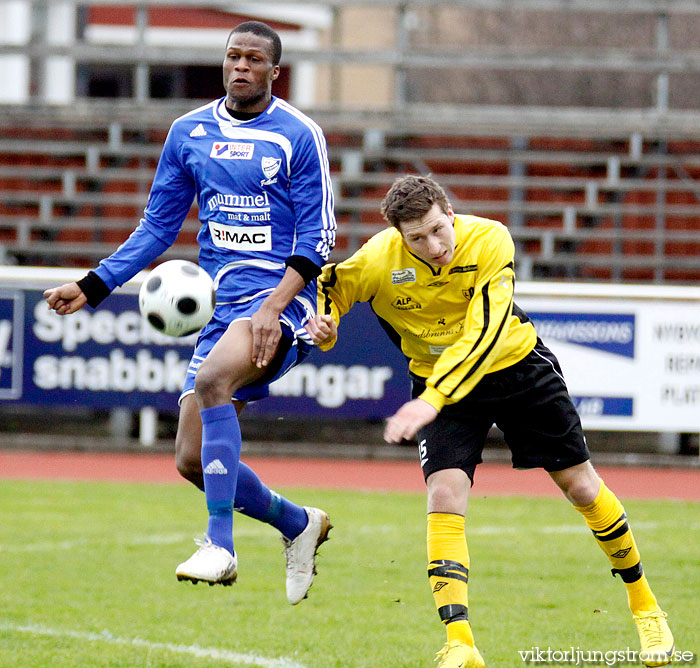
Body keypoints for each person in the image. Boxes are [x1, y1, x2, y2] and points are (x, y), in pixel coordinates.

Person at [305, 175, 674, 667]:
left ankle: (646, 608)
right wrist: (324, 326)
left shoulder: (491, 240)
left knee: (582, 488)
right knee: (444, 493)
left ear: (450, 212)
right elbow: (331, 286)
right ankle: (460, 643)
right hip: (440, 386)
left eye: (439, 230)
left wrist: (431, 399)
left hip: (514, 367)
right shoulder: (378, 259)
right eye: (417, 238)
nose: (434, 245)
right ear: (399, 237)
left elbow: (485, 331)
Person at [44, 20, 335, 604]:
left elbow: (318, 238)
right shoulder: (188, 132)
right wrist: (94, 284)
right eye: (234, 56)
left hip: (284, 301)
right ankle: (298, 523)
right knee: (190, 460)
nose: (242, 66)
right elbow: (157, 226)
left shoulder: (299, 135)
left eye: (255, 59)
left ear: (274, 72)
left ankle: (220, 547)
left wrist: (275, 308)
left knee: (211, 380)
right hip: (220, 305)